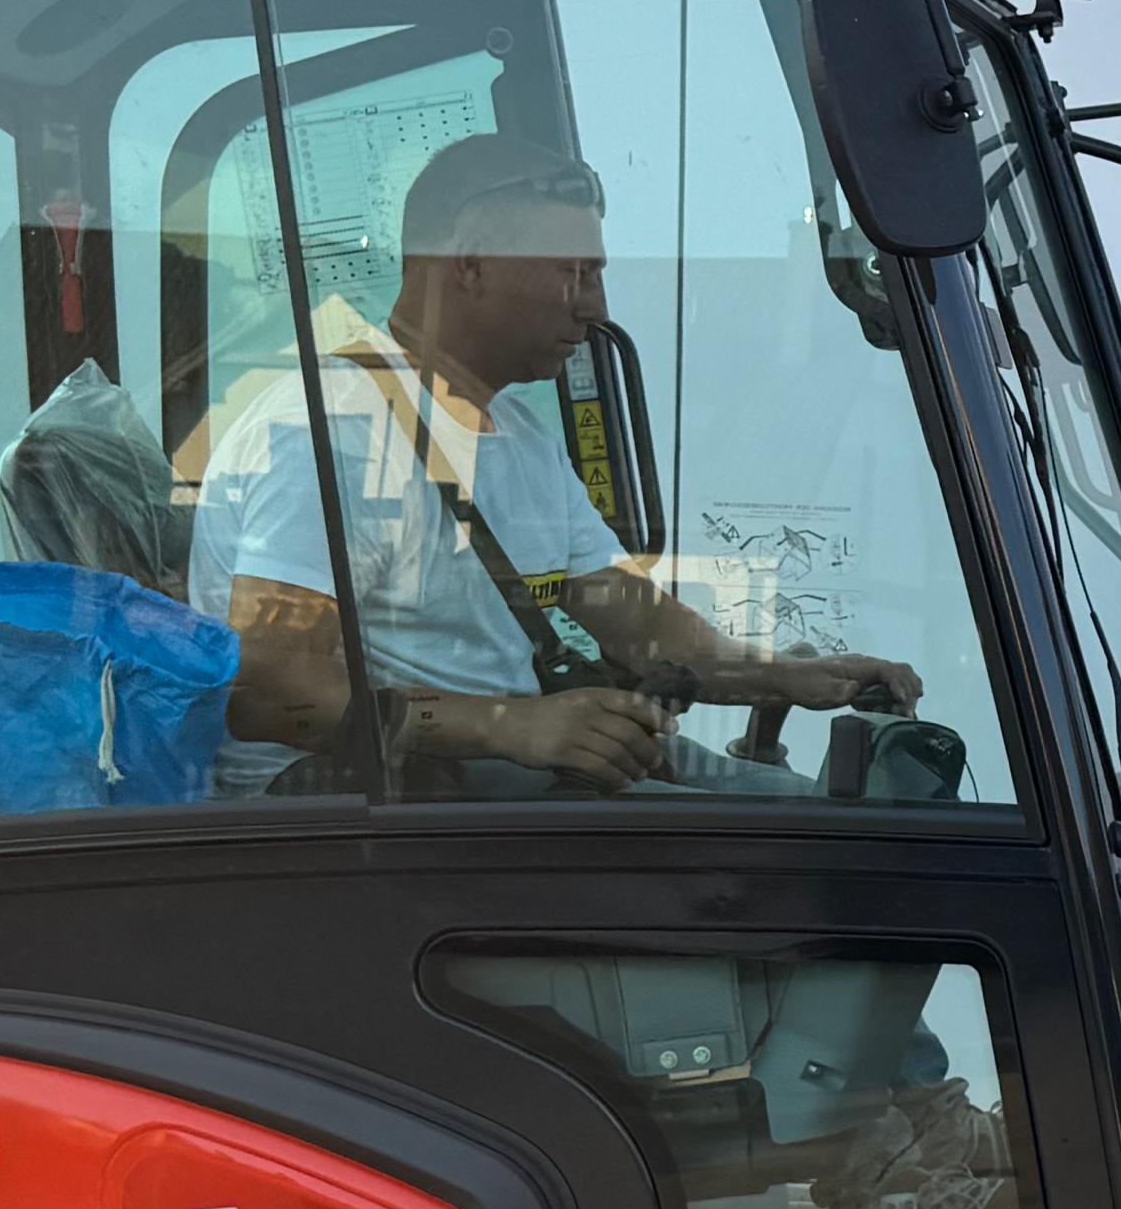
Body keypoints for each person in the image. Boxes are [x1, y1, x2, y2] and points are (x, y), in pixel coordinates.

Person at [190, 129, 917, 794]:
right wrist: (514, 726)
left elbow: (638, 624)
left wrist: (790, 676)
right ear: (471, 263)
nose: (595, 307)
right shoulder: (328, 433)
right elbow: (270, 692)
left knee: (836, 817)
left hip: (495, 764)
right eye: (573, 273)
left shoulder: (518, 436)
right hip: (370, 802)